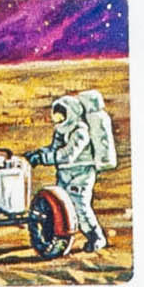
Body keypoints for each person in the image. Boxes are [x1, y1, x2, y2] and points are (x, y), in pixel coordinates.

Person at [27, 90, 116, 252]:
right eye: (56, 115)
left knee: (79, 205)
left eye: (61, 114)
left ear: (70, 113)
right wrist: (38, 153)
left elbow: (67, 154)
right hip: (64, 173)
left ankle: (96, 237)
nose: (57, 118)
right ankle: (55, 237)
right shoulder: (61, 130)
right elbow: (54, 149)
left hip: (81, 173)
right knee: (59, 206)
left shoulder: (81, 131)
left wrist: (43, 158)